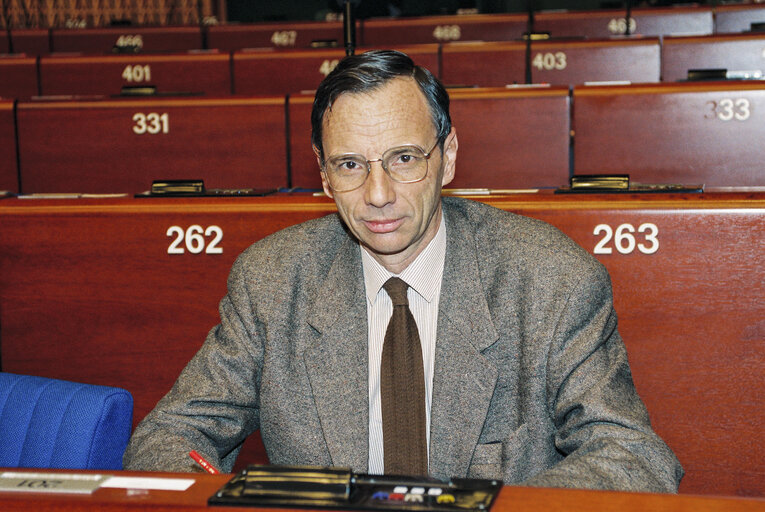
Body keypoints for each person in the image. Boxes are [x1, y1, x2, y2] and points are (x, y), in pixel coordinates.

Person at [123, 50, 683, 492]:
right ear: (322, 176)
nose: (379, 195)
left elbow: (632, 456)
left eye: (404, 158)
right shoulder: (272, 280)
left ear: (449, 157)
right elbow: (169, 436)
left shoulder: (550, 279)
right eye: (350, 165)